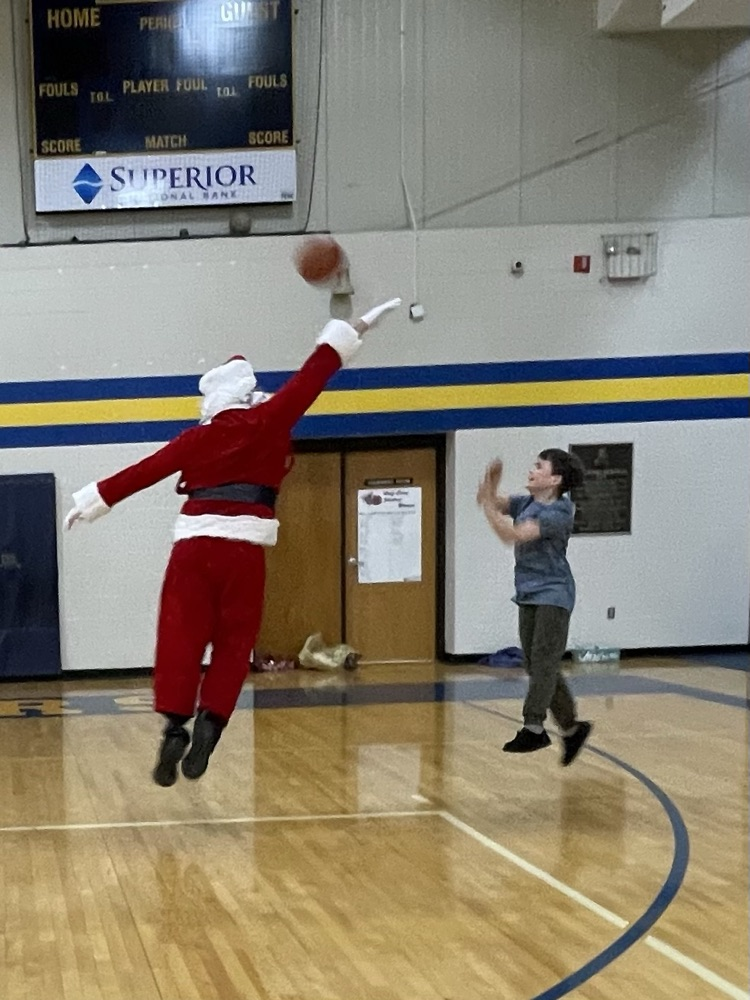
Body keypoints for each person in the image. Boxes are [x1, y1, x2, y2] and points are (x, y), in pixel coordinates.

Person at [65, 296, 402, 786]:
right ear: (246, 393)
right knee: (235, 642)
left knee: (179, 638)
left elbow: (144, 471)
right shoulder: (271, 420)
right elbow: (313, 375)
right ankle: (212, 721)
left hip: (193, 548)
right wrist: (355, 327)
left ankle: (174, 727)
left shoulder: (195, 438)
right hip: (244, 550)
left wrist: (92, 500)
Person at [476, 449, 592, 766]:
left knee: (542, 662)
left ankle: (533, 727)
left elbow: (511, 534)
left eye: (539, 467)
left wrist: (489, 507)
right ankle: (572, 728)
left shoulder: (558, 512)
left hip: (553, 594)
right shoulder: (526, 502)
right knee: (538, 665)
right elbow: (490, 501)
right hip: (528, 592)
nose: (532, 470)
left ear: (554, 479)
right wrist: (490, 482)